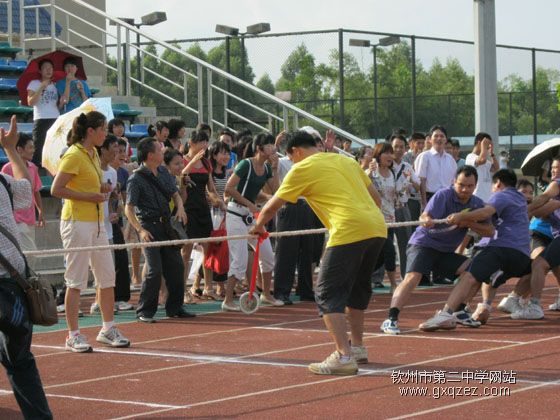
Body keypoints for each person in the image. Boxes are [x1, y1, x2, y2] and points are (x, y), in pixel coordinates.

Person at [251, 130, 386, 376]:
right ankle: (357, 348)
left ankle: (344, 356)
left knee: (325, 292)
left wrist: (258, 227)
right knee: (357, 288)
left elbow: (272, 206)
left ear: (296, 151)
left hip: (348, 229)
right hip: (376, 227)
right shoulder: (347, 160)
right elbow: (376, 199)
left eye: (290, 158)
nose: (291, 163)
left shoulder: (301, 168)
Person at [51, 111, 130, 352]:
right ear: (90, 131)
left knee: (107, 277)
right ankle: (72, 334)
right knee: (75, 280)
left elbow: (89, 184)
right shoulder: (73, 154)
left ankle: (107, 328)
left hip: (97, 223)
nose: (106, 134)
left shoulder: (93, 153)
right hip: (76, 222)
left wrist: (102, 187)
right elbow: (57, 189)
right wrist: (90, 196)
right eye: (103, 129)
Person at [380, 165, 492, 334]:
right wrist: (426, 220)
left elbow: (490, 231)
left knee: (475, 270)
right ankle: (391, 318)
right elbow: (424, 215)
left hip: (445, 253)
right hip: (424, 244)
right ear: (453, 181)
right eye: (461, 184)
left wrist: (468, 222)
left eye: (469, 186)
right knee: (413, 277)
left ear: (475, 186)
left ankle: (458, 310)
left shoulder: (476, 203)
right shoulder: (443, 195)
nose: (465, 189)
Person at [419, 169, 531, 332]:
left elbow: (486, 212)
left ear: (498, 183)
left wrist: (461, 216)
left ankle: (446, 313)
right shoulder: (520, 198)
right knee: (530, 267)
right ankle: (481, 305)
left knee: (470, 274)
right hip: (522, 256)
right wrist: (470, 222)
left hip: (502, 248)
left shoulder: (501, 195)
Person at [0, 116, 53, 419]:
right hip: (15, 287)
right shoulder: (3, 183)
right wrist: (11, 151)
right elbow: (25, 187)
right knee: (21, 363)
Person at [125, 137, 194, 323]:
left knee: (176, 267)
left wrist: (180, 207)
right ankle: (145, 311)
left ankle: (175, 307)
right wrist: (140, 230)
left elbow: (175, 194)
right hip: (149, 226)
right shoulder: (136, 179)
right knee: (154, 270)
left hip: (166, 225)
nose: (162, 151)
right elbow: (129, 208)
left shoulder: (163, 171)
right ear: (150, 155)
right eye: (158, 148)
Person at [223, 132, 283, 311]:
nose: (273, 148)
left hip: (250, 216)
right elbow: (229, 189)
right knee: (239, 260)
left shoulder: (265, 168)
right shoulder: (245, 164)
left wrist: (273, 169)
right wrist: (251, 205)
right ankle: (227, 300)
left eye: (273, 145)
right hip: (235, 214)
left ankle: (266, 294)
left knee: (267, 255)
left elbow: (276, 190)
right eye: (269, 145)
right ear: (259, 148)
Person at [182, 130, 225, 301]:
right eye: (201, 142)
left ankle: (208, 287)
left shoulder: (207, 163)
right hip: (186, 208)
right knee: (185, 251)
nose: (204, 146)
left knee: (208, 248)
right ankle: (183, 289)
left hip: (202, 208)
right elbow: (180, 177)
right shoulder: (183, 160)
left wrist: (219, 202)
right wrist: (192, 161)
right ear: (191, 143)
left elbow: (211, 189)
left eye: (206, 142)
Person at [273, 131, 316, 304]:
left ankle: (305, 289)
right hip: (288, 207)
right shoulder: (283, 162)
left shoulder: (313, 163)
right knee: (286, 252)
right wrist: (275, 147)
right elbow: (273, 172)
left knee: (308, 250)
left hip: (308, 207)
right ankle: (282, 291)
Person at [1, 133, 44, 267]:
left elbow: (34, 190)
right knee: (30, 254)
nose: (33, 150)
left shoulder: (33, 167)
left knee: (30, 254)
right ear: (18, 149)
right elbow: (19, 191)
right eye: (29, 147)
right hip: (16, 219)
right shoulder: (7, 169)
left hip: (30, 217)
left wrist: (40, 210)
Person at [391, 134, 420, 280]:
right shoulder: (384, 165)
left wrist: (411, 184)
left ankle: (404, 275)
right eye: (395, 146)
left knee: (405, 244)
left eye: (401, 147)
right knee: (385, 245)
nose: (398, 149)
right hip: (386, 209)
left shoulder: (407, 166)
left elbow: (417, 186)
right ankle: (377, 278)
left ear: (405, 148)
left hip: (403, 207)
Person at [27, 58, 60, 171]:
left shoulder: (56, 85)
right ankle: (34, 177)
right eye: (45, 68)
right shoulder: (34, 83)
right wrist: (41, 87)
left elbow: (57, 105)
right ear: (40, 71)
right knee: (38, 149)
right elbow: (30, 102)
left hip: (55, 119)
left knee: (54, 150)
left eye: (50, 68)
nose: (48, 70)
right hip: (41, 119)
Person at [415, 125, 457, 210]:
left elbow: (454, 182)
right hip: (430, 197)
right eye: (436, 136)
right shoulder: (424, 157)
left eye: (442, 136)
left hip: (448, 197)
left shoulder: (450, 159)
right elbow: (421, 180)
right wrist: (424, 203)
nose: (439, 139)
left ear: (445, 139)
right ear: (430, 139)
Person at [465, 132, 499, 202]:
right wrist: (484, 146)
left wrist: (491, 154)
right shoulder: (470, 157)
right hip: (476, 197)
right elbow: (481, 160)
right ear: (479, 143)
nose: (488, 147)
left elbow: (496, 168)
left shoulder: (486, 160)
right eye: (487, 144)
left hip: (487, 198)